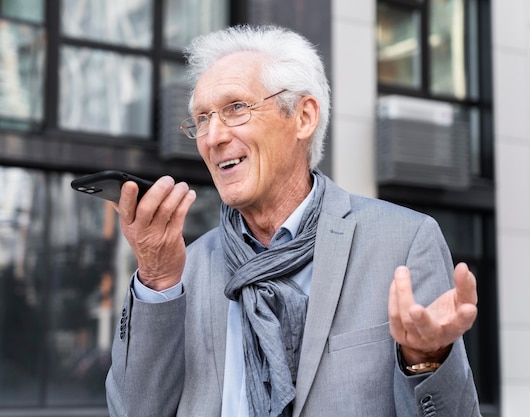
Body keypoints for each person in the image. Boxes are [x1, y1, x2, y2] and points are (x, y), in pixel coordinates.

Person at [105, 25, 481, 417]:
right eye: (201, 118)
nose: (213, 136)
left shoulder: (403, 242)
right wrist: (156, 280)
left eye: (236, 108)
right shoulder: (186, 270)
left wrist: (425, 359)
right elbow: (133, 410)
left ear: (303, 117)